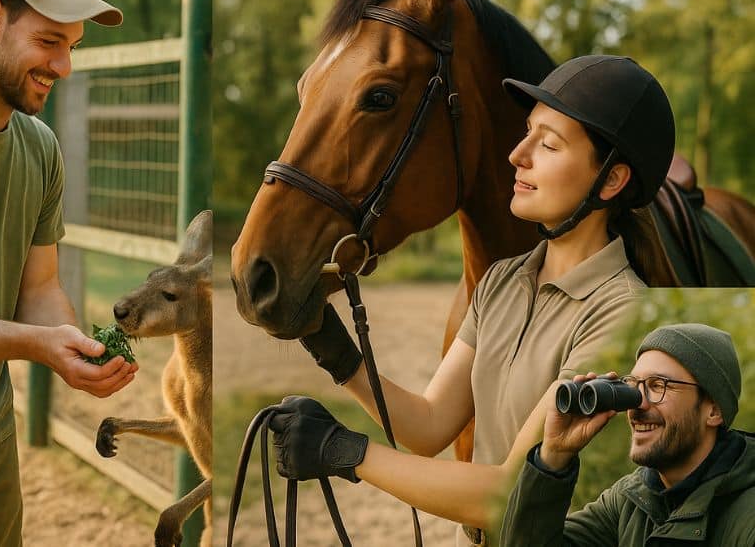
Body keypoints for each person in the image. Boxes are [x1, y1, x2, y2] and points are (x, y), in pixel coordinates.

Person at [268, 55, 677, 545]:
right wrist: (332, 346)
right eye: (527, 132)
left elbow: (509, 492)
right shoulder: (501, 281)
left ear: (611, 181)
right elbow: (429, 425)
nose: (517, 155)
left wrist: (346, 451)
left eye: (547, 144)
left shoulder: (622, 312)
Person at [0, 0, 138, 546]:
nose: (63, 67)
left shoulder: (40, 148)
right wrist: (39, 345)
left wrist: (71, 347)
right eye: (48, 42)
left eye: (71, 47)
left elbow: (39, 288)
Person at [499, 323, 753, 546]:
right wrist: (554, 455)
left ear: (714, 411)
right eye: (633, 385)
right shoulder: (632, 500)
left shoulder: (746, 518)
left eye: (658, 385)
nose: (638, 403)